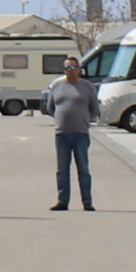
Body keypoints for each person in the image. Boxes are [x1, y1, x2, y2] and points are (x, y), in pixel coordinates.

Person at [44, 57, 98, 211]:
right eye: (67, 68)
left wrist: (86, 120)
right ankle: (62, 201)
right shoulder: (57, 86)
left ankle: (87, 202)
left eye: (73, 67)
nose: (70, 71)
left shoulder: (87, 87)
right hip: (62, 134)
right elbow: (50, 108)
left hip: (80, 133)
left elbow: (94, 109)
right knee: (62, 169)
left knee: (83, 169)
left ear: (79, 69)